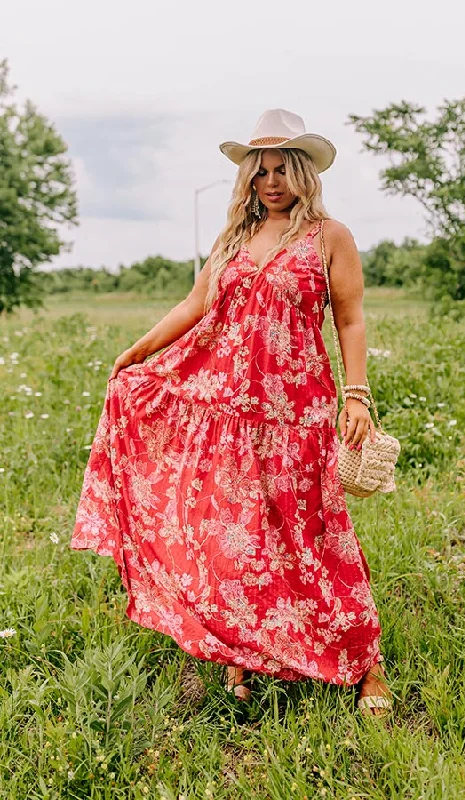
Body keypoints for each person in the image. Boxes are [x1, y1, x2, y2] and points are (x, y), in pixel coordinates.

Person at [70, 108, 392, 716]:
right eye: (261, 170)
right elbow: (196, 303)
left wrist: (357, 395)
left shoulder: (331, 237)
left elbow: (349, 318)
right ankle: (244, 651)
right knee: (236, 537)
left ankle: (364, 661)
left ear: (303, 173)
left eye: (282, 169)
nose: (271, 181)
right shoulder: (235, 239)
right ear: (249, 177)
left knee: (313, 536)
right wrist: (138, 351)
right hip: (229, 412)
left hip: (296, 415)